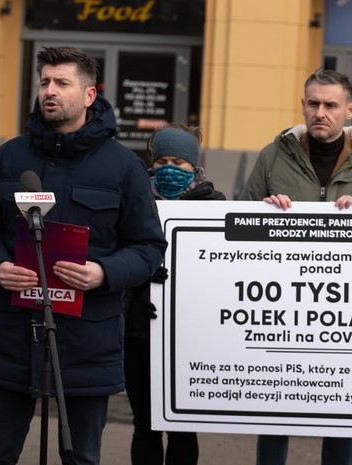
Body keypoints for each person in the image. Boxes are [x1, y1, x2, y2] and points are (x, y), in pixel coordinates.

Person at [0, 46, 167, 465]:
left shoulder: (124, 166)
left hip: (87, 341)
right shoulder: (11, 156)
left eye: (61, 82)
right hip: (12, 334)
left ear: (90, 95)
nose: (49, 90)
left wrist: (103, 272)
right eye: (44, 82)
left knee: (80, 457)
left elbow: (149, 247)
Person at [238, 68, 352, 465]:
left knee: (342, 414)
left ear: (350, 110)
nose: (320, 112)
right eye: (313, 103)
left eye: (330, 105)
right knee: (275, 410)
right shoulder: (273, 156)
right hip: (281, 306)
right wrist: (264, 211)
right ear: (303, 105)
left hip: (347, 309)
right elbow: (238, 227)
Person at [124, 124, 225, 465]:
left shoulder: (215, 205)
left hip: (190, 335)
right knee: (145, 425)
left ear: (193, 165)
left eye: (178, 163)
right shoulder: (135, 200)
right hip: (139, 331)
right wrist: (140, 274)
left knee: (183, 427)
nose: (169, 169)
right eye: (162, 161)